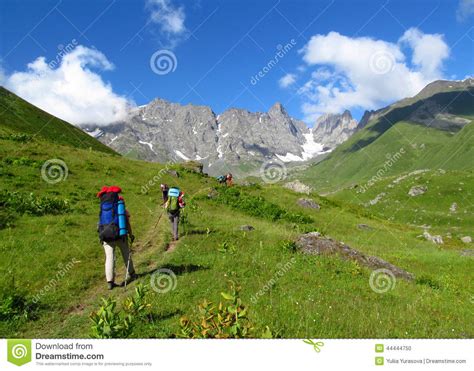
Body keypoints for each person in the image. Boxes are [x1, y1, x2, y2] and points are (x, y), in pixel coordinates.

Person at [97, 186, 137, 290]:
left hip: (106, 235)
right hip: (120, 235)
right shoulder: (120, 207)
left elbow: (99, 223)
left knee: (109, 258)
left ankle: (110, 282)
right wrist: (131, 234)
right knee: (126, 254)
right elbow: (126, 223)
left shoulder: (103, 207)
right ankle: (132, 274)